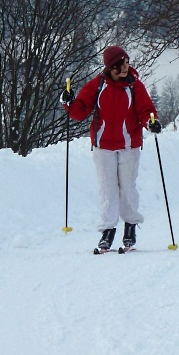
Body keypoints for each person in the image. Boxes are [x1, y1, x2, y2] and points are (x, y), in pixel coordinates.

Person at [62, 45, 162, 252]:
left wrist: (151, 123)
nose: (124, 68)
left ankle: (131, 226)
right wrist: (68, 102)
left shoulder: (135, 87)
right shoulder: (97, 86)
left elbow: (146, 111)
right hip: (103, 145)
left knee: (127, 186)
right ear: (109, 68)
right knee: (107, 188)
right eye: (118, 66)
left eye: (125, 63)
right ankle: (107, 230)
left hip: (129, 144)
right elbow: (80, 111)